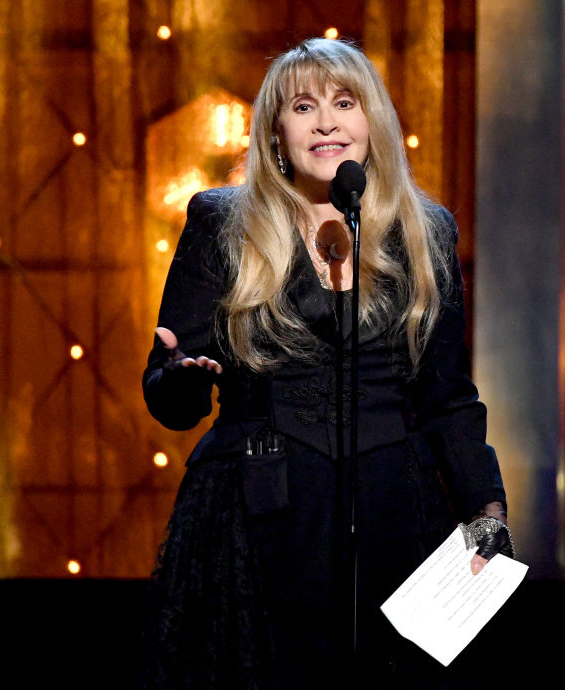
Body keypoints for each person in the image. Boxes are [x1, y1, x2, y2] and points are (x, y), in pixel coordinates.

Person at [136, 38, 513, 690]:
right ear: (276, 132)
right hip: (258, 520)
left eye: (344, 103)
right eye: (304, 107)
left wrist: (488, 510)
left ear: (372, 122)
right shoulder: (222, 221)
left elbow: (448, 396)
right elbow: (172, 393)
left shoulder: (427, 231)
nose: (326, 123)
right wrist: (181, 379)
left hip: (396, 515)